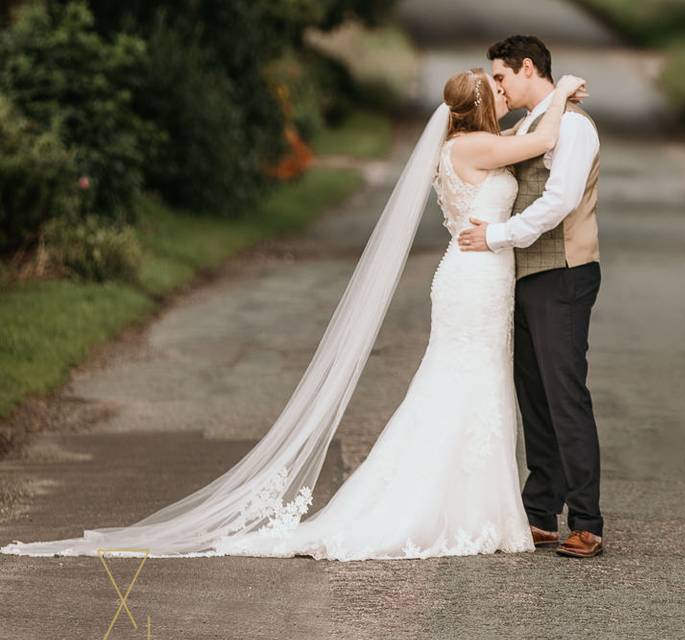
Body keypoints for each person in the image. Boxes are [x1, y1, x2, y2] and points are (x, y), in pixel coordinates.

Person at [0, 68, 588, 561]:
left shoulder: (459, 146)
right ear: (483, 106)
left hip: (480, 278)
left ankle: (482, 504)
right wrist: (559, 93)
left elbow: (523, 142)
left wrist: (544, 106)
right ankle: (457, 507)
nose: (504, 96)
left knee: (476, 386)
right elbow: (536, 145)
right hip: (473, 279)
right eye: (497, 91)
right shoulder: (475, 147)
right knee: (464, 384)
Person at [458, 35, 604, 558]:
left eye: (500, 77)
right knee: (534, 397)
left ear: (526, 68)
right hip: (523, 278)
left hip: (563, 273)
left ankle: (586, 520)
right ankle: (541, 511)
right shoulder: (533, 126)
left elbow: (559, 200)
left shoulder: (573, 126)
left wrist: (497, 237)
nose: (496, 87)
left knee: (565, 395)